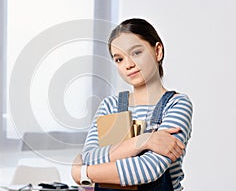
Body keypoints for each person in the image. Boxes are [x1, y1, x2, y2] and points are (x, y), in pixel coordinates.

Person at [71, 18, 193, 190]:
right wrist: (145, 140)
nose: (128, 64)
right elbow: (90, 157)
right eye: (119, 59)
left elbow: (148, 169)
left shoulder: (176, 104)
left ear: (157, 51)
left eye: (136, 52)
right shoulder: (110, 105)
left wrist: (82, 173)